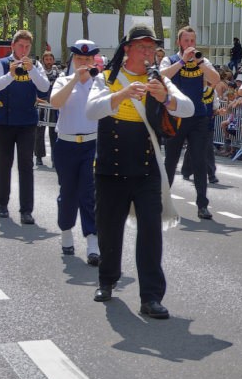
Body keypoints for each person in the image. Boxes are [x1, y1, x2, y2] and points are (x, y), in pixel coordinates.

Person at [86, 26, 193, 318]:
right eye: (143, 47)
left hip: (146, 169)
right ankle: (107, 280)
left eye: (152, 48)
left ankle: (151, 297)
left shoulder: (157, 79)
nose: (148, 53)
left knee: (150, 232)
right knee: (109, 230)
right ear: (129, 49)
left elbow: (188, 108)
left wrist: (166, 99)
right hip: (111, 167)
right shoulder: (107, 77)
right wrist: (121, 94)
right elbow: (91, 111)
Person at [50, 40, 104, 264]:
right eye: (80, 59)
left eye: (88, 59)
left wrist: (90, 80)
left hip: (91, 145)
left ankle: (92, 241)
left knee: (88, 193)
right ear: (73, 59)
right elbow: (55, 102)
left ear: (93, 60)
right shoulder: (63, 80)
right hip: (66, 145)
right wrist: (74, 80)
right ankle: (66, 232)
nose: (84, 63)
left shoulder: (99, 83)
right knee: (68, 193)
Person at [160, 26, 221, 219]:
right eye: (186, 41)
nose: (190, 45)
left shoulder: (202, 60)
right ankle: (163, 201)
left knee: (199, 161)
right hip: (176, 117)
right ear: (179, 42)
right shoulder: (169, 60)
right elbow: (162, 76)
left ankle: (202, 205)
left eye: (192, 41)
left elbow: (216, 79)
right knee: (170, 161)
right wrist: (181, 61)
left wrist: (200, 62)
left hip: (198, 117)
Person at [0, 30, 50, 224]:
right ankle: (3, 204)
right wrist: (11, 74)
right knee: (5, 163)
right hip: (4, 121)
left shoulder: (36, 65)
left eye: (27, 47)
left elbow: (44, 87)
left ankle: (26, 210)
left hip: (27, 122)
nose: (23, 50)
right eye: (20, 46)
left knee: (26, 165)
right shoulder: (1, 64)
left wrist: (32, 70)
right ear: (13, 46)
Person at [36, 50, 60, 167]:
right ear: (43, 61)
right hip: (41, 104)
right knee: (39, 132)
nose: (49, 62)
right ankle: (39, 156)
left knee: (54, 133)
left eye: (50, 60)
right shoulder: (39, 73)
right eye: (46, 60)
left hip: (53, 105)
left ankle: (55, 158)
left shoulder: (58, 74)